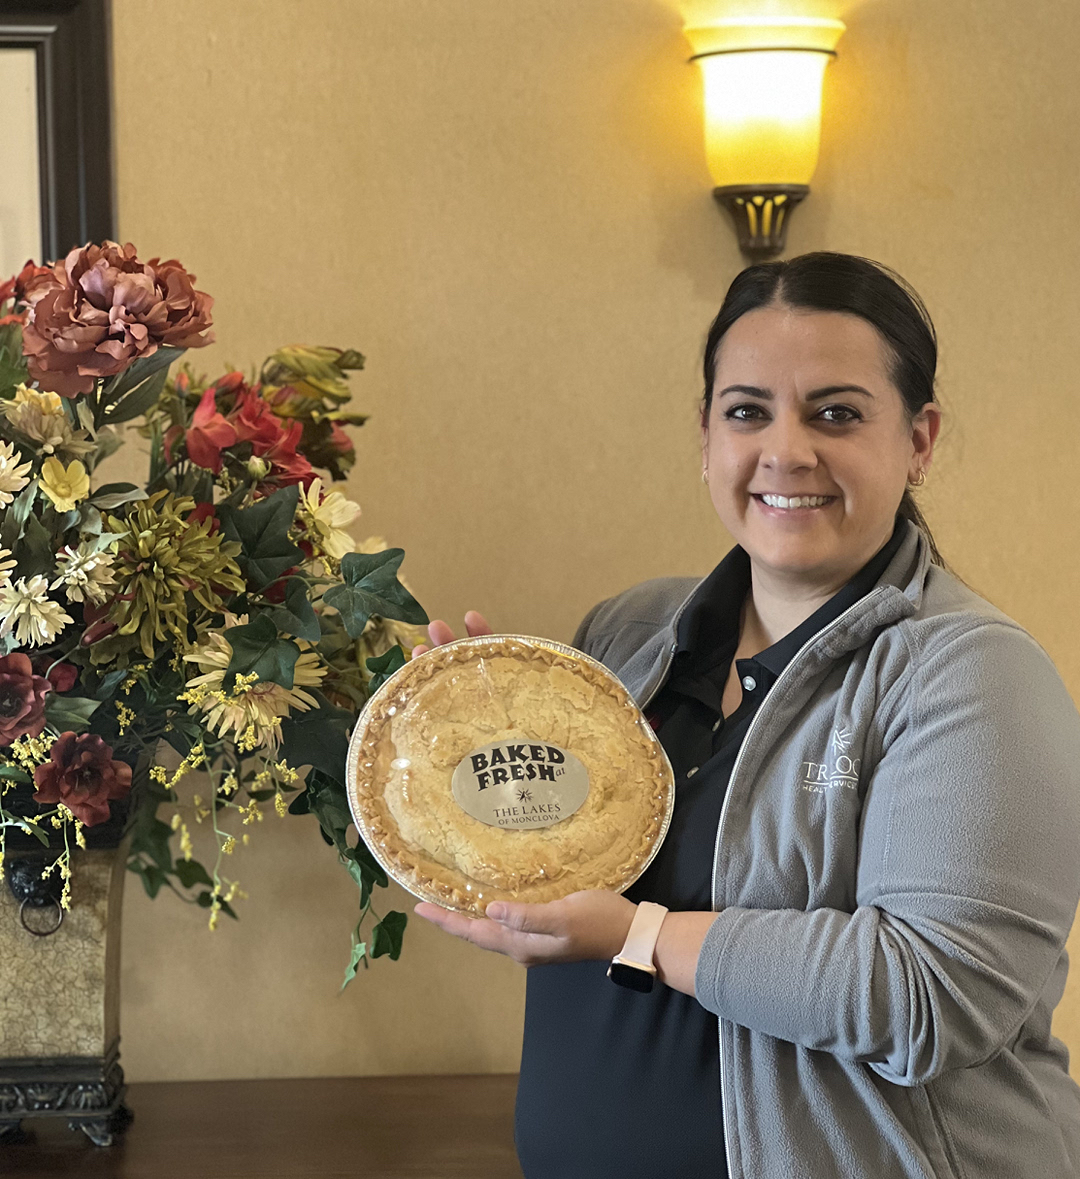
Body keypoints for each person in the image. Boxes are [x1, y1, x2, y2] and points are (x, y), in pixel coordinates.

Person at [412, 252, 1080, 1179]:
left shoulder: (974, 674)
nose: (787, 451)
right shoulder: (629, 632)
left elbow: (932, 997)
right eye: (748, 411)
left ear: (920, 439)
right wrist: (446, 741)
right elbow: (545, 858)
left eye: (836, 413)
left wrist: (638, 934)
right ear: (705, 434)